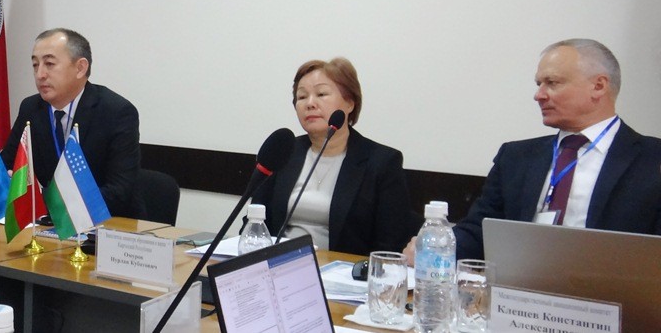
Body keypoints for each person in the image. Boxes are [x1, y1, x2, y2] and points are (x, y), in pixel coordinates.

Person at [410, 39, 661, 261]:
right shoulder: (516, 157)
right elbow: (480, 231)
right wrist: (436, 246)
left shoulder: (652, 160)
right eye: (539, 84)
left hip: (613, 294)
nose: (539, 95)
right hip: (520, 293)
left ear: (598, 86)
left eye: (552, 83)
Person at [251, 58, 417, 254]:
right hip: (282, 265)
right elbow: (255, 223)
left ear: (350, 103)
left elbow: (390, 245)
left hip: (345, 270)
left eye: (321, 94)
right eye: (302, 96)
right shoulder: (284, 152)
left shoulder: (382, 162)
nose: (310, 103)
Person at [0, 28, 143, 219]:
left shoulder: (117, 112)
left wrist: (47, 202)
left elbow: (119, 192)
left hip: (107, 224)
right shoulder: (31, 108)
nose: (40, 74)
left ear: (80, 68)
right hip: (47, 224)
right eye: (35, 65)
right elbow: (5, 166)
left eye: (49, 64)